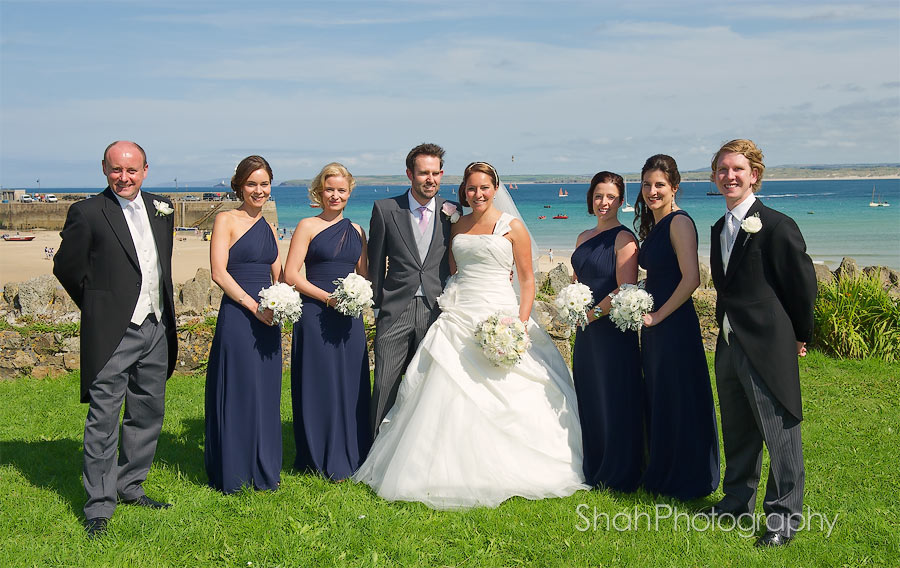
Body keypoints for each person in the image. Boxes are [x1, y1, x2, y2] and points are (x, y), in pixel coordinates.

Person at [353, 161, 587, 509]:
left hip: (503, 311)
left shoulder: (514, 227)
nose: (478, 194)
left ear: (496, 188)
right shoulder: (457, 224)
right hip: (461, 313)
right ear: (464, 190)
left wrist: (519, 325)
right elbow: (451, 270)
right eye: (472, 188)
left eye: (485, 187)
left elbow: (526, 280)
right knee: (442, 384)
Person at [53, 141, 177, 538]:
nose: (124, 178)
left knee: (147, 411)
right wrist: (100, 306)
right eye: (115, 170)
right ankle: (99, 506)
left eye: (132, 170)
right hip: (113, 331)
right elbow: (67, 268)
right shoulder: (87, 213)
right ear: (104, 169)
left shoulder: (164, 208)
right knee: (103, 419)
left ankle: (130, 486)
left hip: (156, 327)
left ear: (145, 170)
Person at [704, 140, 816, 547]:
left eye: (737, 169)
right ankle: (736, 500)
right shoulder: (719, 228)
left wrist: (799, 336)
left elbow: (802, 287)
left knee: (779, 432)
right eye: (722, 169)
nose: (729, 176)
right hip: (729, 342)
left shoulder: (777, 225)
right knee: (737, 428)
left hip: (768, 344)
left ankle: (783, 519)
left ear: (754, 175)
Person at [634, 154, 720, 501]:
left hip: (673, 322)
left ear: (674, 188)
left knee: (679, 394)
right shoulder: (656, 224)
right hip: (657, 322)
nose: (652, 191)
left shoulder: (678, 223)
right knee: (662, 394)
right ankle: (663, 467)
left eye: (659, 185)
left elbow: (691, 279)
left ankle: (687, 475)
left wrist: (657, 316)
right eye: (646, 184)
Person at [284, 162, 371, 480]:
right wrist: (327, 298)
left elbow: (365, 275)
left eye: (341, 190)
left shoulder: (358, 231)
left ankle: (354, 451)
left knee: (351, 384)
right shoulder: (307, 226)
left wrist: (358, 296)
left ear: (349, 193)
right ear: (319, 192)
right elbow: (290, 274)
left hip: (350, 317)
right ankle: (318, 453)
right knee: (319, 382)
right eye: (329, 189)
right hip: (315, 315)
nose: (335, 195)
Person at [204, 155, 283, 494]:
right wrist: (254, 306)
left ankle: (263, 468)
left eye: (264, 184)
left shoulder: (268, 225)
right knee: (238, 388)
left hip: (269, 317)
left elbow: (277, 270)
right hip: (240, 314)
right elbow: (219, 272)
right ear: (239, 185)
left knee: (265, 391)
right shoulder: (227, 219)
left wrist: (284, 302)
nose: (258, 190)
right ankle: (235, 470)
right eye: (252, 183)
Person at [368, 143, 456, 437]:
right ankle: (374, 449)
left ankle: (425, 446)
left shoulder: (452, 212)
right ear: (410, 174)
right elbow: (376, 261)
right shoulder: (386, 209)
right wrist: (379, 305)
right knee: (384, 383)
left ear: (441, 174)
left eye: (435, 173)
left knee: (430, 386)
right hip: (396, 309)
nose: (430, 179)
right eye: (423, 173)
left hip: (436, 310)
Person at [570, 171, 643, 491]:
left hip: (612, 331)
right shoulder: (583, 237)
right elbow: (578, 281)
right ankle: (593, 463)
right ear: (591, 198)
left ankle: (619, 470)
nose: (604, 202)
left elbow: (624, 287)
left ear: (621, 200)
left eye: (611, 196)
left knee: (614, 396)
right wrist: (572, 306)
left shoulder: (624, 239)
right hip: (585, 332)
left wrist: (592, 314)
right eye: (599, 195)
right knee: (589, 394)